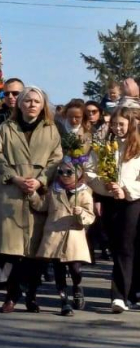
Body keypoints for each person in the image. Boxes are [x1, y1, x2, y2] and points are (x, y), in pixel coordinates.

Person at [0, 87, 63, 314]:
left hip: (38, 193)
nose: (31, 104)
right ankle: (12, 295)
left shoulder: (51, 129)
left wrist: (40, 181)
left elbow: (56, 159)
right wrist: (15, 178)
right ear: (19, 104)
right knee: (13, 250)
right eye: (27, 100)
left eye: (36, 101)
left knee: (34, 251)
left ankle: (30, 293)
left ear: (43, 106)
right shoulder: (6, 128)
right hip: (11, 191)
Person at [87, 109, 140, 313]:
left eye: (121, 124)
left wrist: (125, 189)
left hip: (133, 201)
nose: (117, 128)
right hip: (111, 200)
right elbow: (90, 172)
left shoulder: (136, 147)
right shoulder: (103, 146)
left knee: (126, 247)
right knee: (119, 246)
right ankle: (128, 292)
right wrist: (107, 186)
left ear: (130, 124)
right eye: (115, 124)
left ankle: (119, 296)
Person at [31, 162, 94, 316]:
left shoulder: (84, 192)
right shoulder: (54, 189)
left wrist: (81, 213)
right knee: (58, 270)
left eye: (68, 172)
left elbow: (90, 216)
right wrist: (32, 194)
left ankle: (77, 287)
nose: (64, 175)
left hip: (74, 237)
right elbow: (41, 206)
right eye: (60, 172)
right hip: (55, 235)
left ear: (78, 173)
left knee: (75, 269)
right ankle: (64, 302)